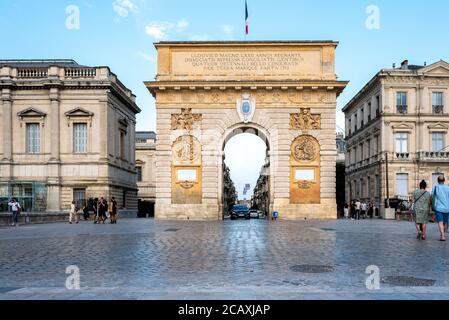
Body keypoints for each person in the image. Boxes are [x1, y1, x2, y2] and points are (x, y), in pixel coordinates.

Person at [431, 176, 449, 241]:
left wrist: (432, 206)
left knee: (440, 222)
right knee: (445, 222)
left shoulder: (435, 187)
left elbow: (432, 197)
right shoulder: (448, 188)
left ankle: (443, 236)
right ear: (444, 180)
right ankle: (443, 234)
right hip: (447, 208)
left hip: (439, 208)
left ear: (437, 181)